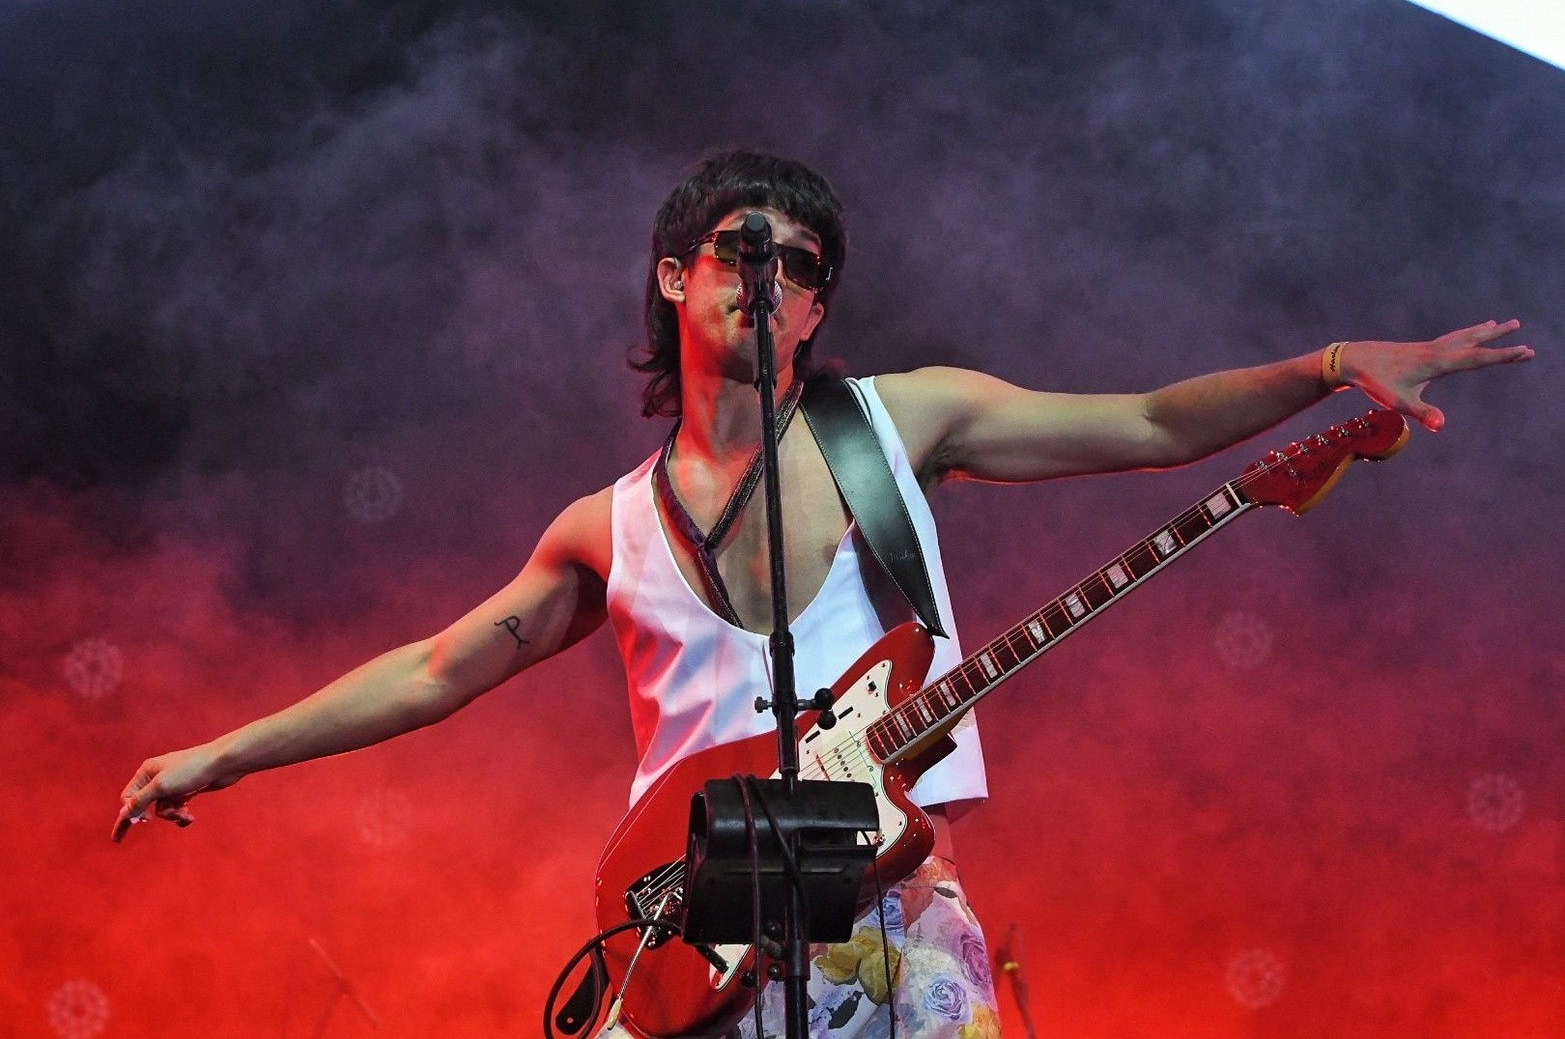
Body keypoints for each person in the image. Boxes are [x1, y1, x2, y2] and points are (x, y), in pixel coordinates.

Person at [113, 149, 1533, 1038]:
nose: (768, 279)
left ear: (818, 307)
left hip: (883, 918)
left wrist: (1330, 360)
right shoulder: (602, 528)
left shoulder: (903, 423)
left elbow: (1155, 424)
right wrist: (219, 752)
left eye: (798, 267)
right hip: (690, 931)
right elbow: (431, 673)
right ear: (675, 275)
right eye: (740, 252)